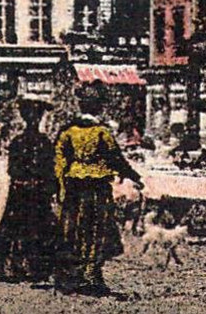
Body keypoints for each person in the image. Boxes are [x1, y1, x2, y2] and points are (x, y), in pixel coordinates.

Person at [54, 88, 142, 295]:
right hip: (97, 187)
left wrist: (60, 186)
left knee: (74, 228)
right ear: (98, 107)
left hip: (74, 186)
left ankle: (72, 274)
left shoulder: (68, 131)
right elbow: (116, 158)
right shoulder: (102, 132)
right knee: (96, 228)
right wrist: (134, 176)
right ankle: (92, 273)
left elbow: (58, 161)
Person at [0, 99, 59, 283]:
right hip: (33, 191)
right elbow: (49, 169)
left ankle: (22, 266)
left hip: (24, 190)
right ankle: (29, 267)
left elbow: (14, 169)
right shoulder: (42, 142)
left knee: (20, 226)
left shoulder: (21, 141)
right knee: (33, 227)